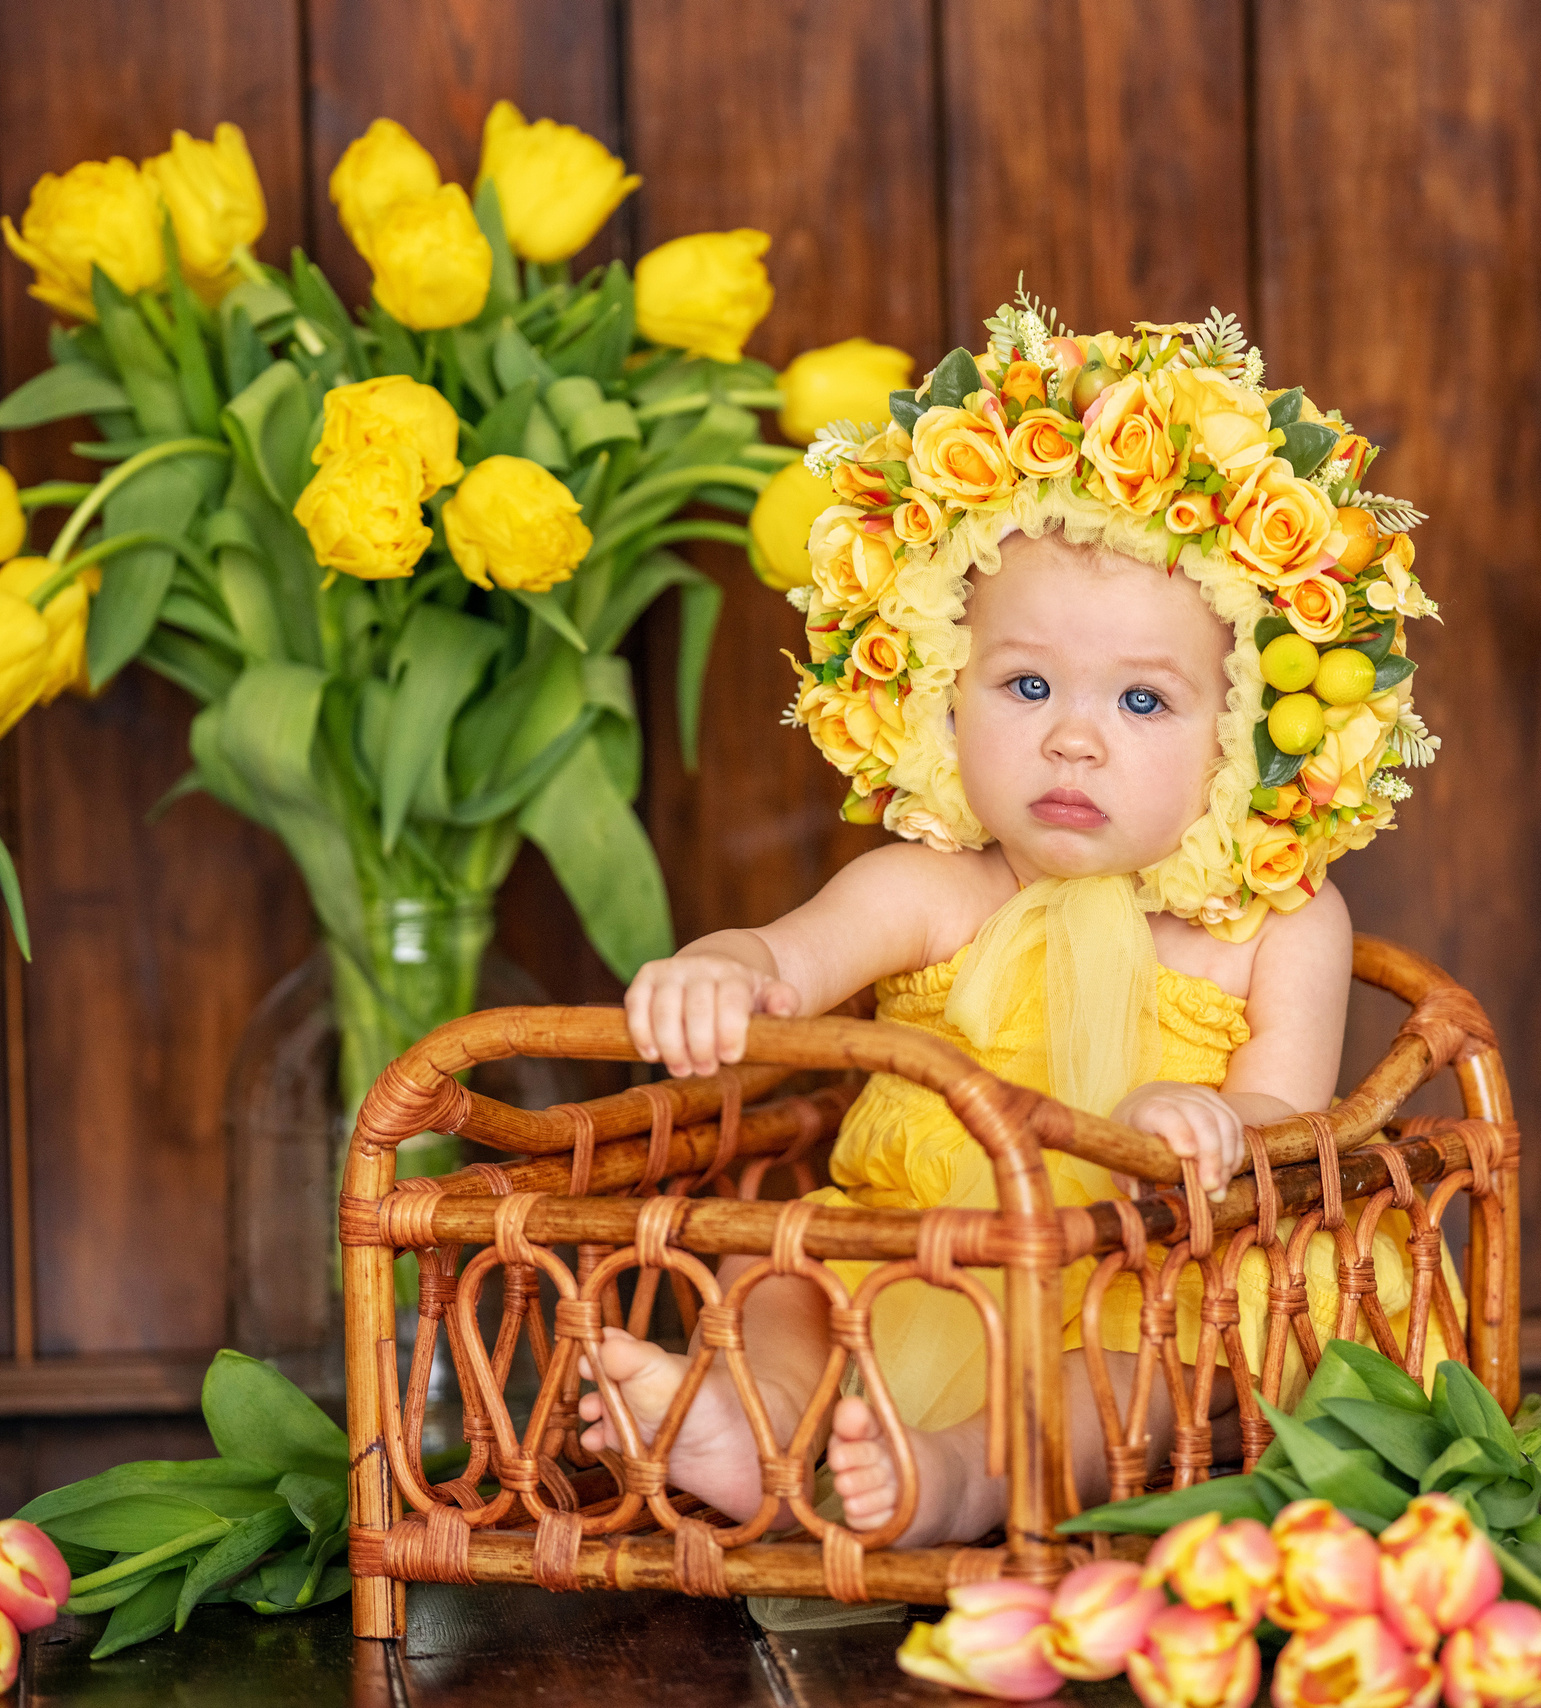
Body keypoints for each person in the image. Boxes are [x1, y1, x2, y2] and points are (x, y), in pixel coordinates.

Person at [579, 304, 1445, 1547]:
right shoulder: (933, 885)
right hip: (914, 1256)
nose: (1072, 735)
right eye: (1026, 684)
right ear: (942, 687)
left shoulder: (1275, 919)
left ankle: (967, 1480)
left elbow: (1289, 1121)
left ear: (1245, 727)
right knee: (773, 1273)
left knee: (1155, 1376)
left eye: (1143, 699)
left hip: (1135, 1272)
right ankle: (752, 1423)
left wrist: (1212, 1121)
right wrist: (720, 969)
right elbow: (790, 960)